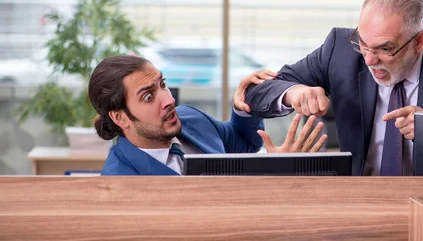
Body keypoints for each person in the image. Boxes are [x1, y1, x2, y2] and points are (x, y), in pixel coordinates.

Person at [241, 0, 423, 176]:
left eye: (385, 49)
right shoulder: (340, 50)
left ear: (420, 41)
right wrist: (293, 91)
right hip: (356, 200)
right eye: (363, 44)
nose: (368, 59)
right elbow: (255, 93)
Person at [89, 54, 327, 175]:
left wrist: (244, 106)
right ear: (120, 117)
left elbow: (242, 144)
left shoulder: (188, 119)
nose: (169, 100)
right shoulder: (119, 180)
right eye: (148, 97)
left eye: (162, 84)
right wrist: (272, 175)